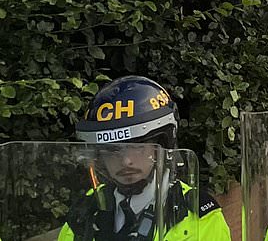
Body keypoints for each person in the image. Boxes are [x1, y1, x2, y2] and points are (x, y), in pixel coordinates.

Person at [62, 76, 231, 241]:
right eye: (113, 150)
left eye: (138, 147)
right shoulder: (85, 213)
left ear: (161, 146)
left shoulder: (199, 218)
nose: (126, 161)